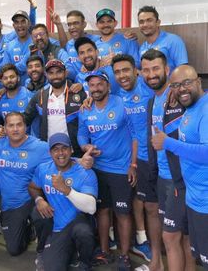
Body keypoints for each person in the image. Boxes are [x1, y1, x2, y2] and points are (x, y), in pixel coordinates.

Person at [77, 71, 137, 270]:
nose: (95, 88)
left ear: (108, 86)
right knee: (102, 211)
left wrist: (133, 165)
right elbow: (81, 135)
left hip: (121, 169)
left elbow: (135, 135)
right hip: (98, 169)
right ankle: (104, 251)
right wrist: (86, 147)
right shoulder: (85, 110)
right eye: (92, 85)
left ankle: (124, 255)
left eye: (99, 84)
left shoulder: (121, 103)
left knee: (122, 213)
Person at [141, 49, 194, 271]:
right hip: (161, 177)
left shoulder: (181, 98)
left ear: (166, 70)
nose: (151, 74)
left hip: (179, 180)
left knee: (172, 237)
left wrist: (179, 90)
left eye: (155, 68)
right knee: (180, 238)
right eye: (146, 70)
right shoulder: (153, 101)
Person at [155, 65, 208, 269]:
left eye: (186, 83)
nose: (182, 89)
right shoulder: (191, 109)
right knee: (199, 257)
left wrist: (167, 142)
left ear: (198, 82)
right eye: (176, 85)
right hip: (193, 198)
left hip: (205, 201)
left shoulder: (205, 109)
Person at [111, 54, 160, 270]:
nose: (122, 75)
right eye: (118, 72)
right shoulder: (114, 95)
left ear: (136, 70)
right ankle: (141, 239)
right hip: (131, 158)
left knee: (152, 205)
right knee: (138, 201)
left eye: (126, 70)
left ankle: (154, 246)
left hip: (157, 154)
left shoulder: (149, 88)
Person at [29, 133, 97, 271]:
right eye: (55, 149)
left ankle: (84, 263)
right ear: (50, 152)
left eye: (64, 148)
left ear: (71, 150)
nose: (60, 153)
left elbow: (91, 208)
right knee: (37, 212)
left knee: (83, 231)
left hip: (78, 222)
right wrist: (39, 199)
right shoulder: (43, 169)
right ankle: (47, 251)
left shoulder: (85, 172)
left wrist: (66, 190)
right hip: (57, 229)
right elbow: (32, 187)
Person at [0, 112, 52, 256]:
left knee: (44, 216)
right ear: (4, 129)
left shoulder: (40, 147)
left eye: (19, 125)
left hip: (31, 199)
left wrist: (80, 161)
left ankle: (42, 251)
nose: (15, 129)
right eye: (11, 125)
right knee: (14, 250)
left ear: (26, 127)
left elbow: (61, 156)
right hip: (10, 205)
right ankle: (27, 227)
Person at [24, 59, 87, 157]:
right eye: (51, 73)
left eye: (59, 72)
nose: (55, 76)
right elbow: (25, 119)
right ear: (46, 75)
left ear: (65, 73)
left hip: (75, 152)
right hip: (48, 151)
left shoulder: (78, 93)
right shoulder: (39, 95)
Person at [137, 5, 188, 72]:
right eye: (141, 22)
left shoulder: (173, 40)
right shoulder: (142, 47)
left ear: (158, 22)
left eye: (149, 20)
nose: (145, 24)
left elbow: (183, 69)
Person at [2, 10, 33, 82]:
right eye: (16, 22)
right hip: (15, 88)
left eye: (23, 21)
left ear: (29, 24)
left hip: (36, 88)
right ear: (13, 26)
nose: (20, 25)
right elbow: (6, 69)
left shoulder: (37, 41)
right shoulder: (9, 46)